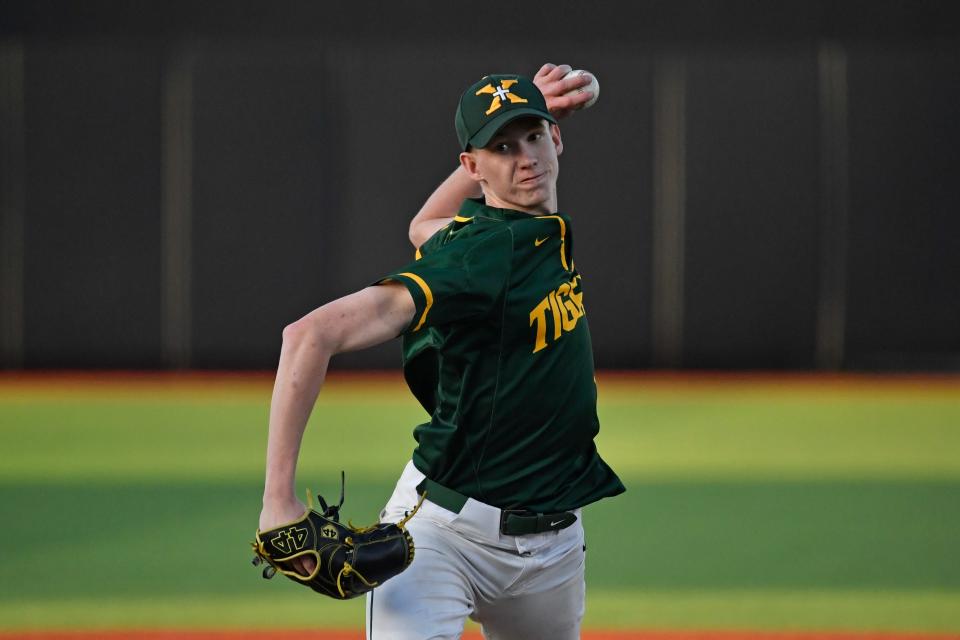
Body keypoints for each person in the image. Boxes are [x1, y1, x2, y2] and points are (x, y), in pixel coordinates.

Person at [258, 63, 625, 640]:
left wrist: (513, 135)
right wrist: (277, 500)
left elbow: (423, 222)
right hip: (444, 537)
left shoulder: (530, 226)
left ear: (556, 137)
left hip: (554, 547)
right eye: (501, 148)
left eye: (533, 135)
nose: (525, 157)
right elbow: (307, 335)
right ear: (473, 167)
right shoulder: (481, 255)